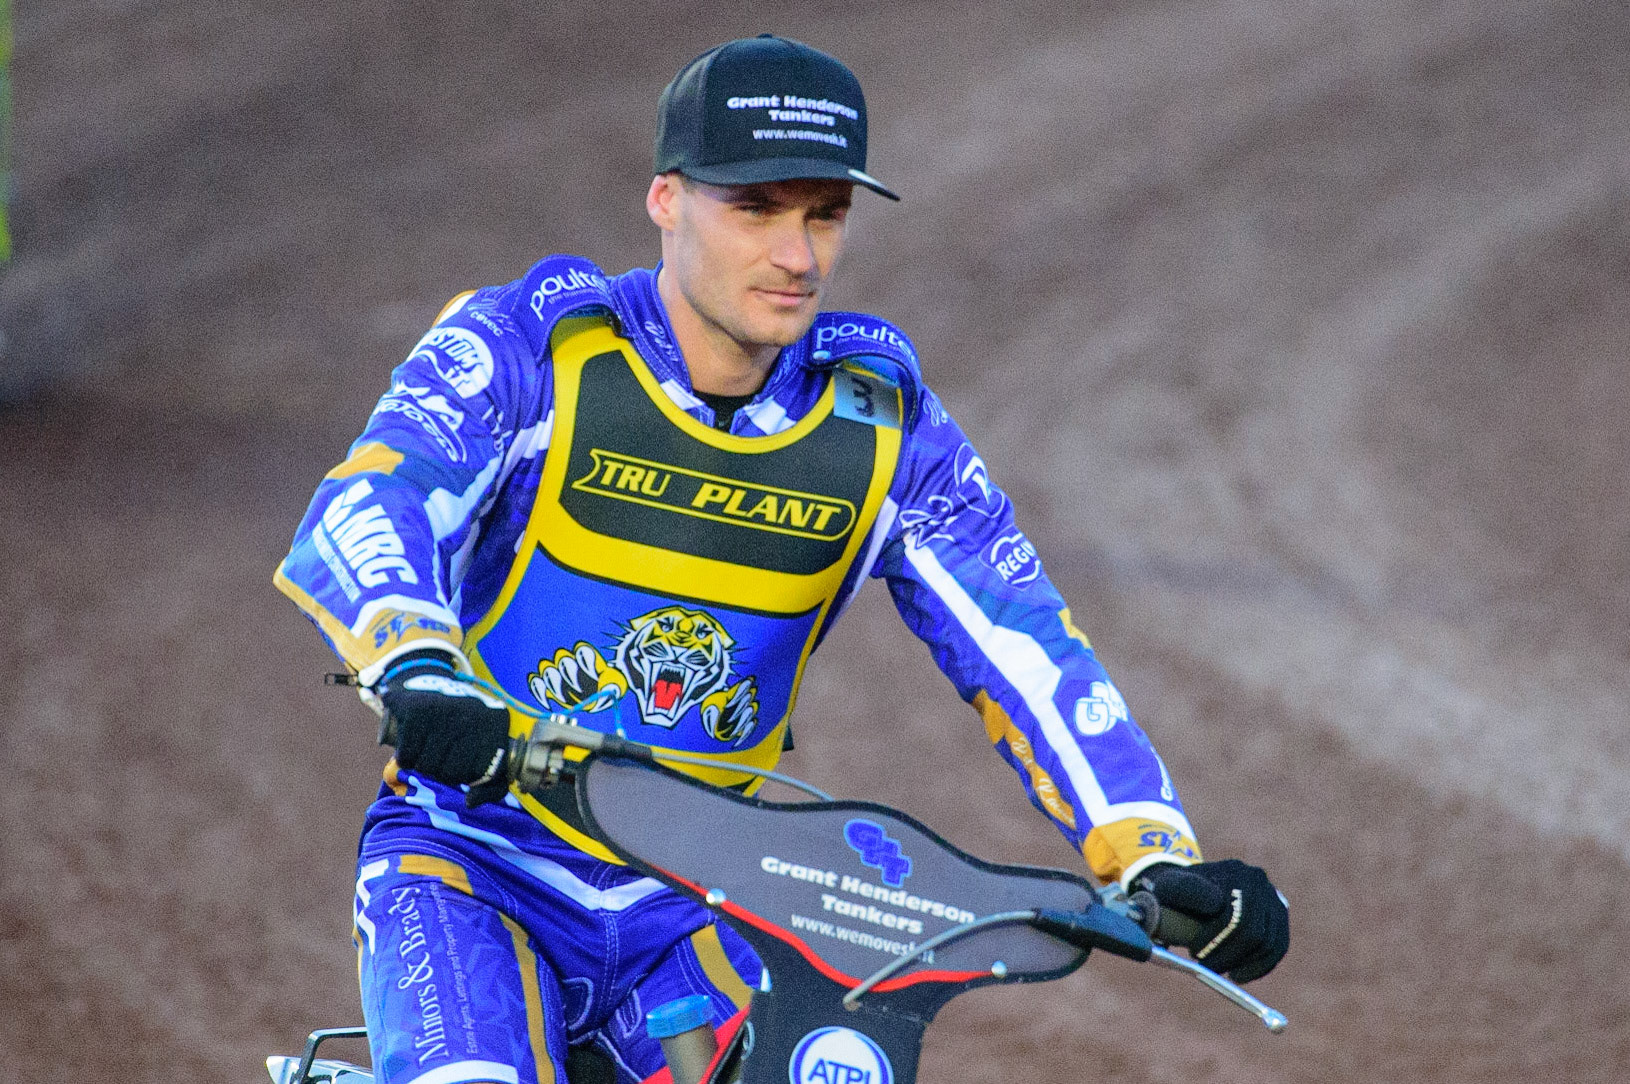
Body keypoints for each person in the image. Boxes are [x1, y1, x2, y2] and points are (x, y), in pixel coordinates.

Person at [275, 34, 1289, 1084]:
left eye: (825, 214)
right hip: (468, 870)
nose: (797, 255)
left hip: (697, 902)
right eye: (754, 210)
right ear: (666, 199)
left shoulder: (884, 425)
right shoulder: (533, 345)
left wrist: (1151, 849)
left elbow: (1020, 635)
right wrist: (415, 662)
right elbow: (374, 499)